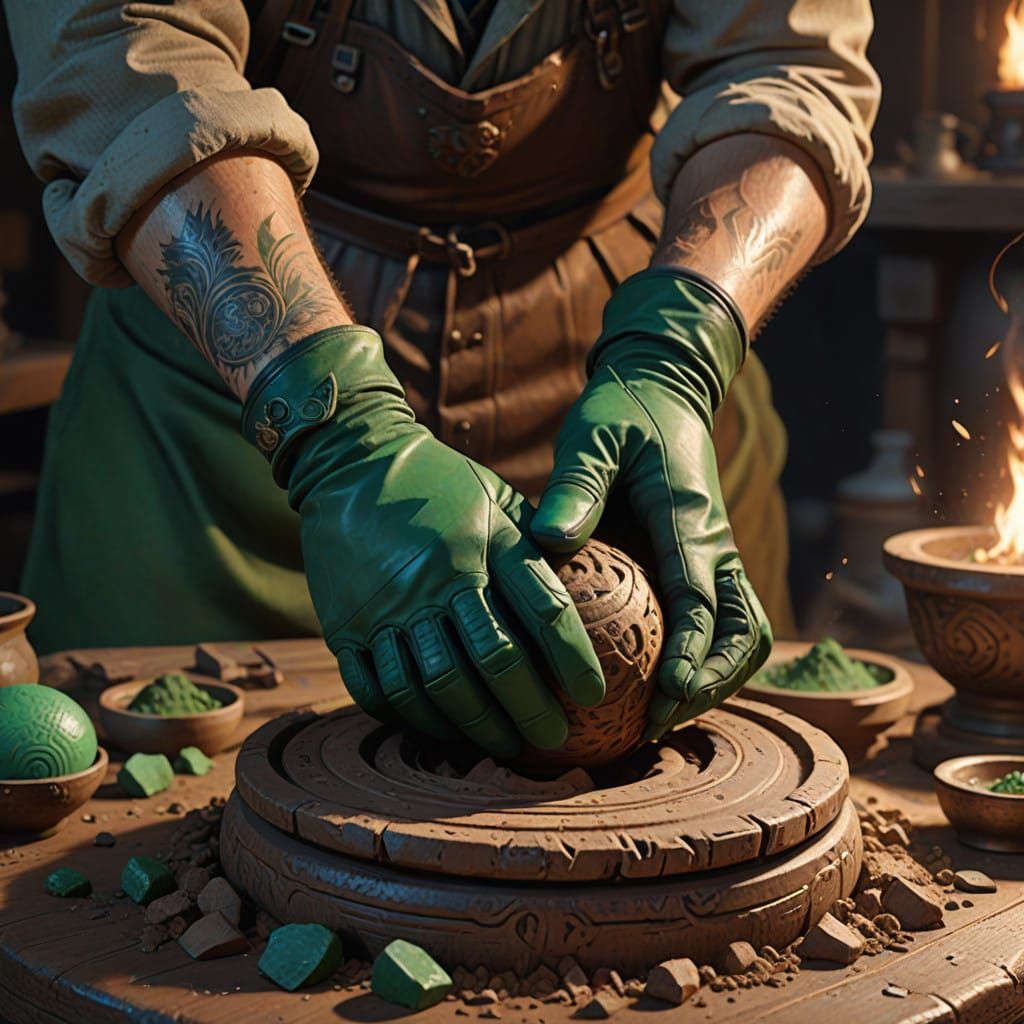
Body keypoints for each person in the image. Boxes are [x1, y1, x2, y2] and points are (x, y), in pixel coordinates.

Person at [4, 1, 878, 757]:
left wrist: (678, 354)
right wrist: (338, 434)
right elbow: (127, 66)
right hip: (225, 425)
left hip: (627, 400)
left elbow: (790, 66)